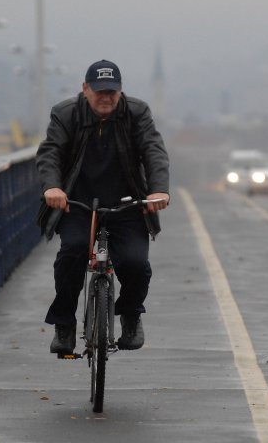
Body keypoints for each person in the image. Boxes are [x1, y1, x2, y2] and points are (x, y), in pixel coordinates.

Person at [36, 59, 170, 354]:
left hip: (127, 204)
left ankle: (131, 316)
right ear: (85, 89)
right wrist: (52, 187)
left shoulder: (137, 113)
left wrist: (158, 189)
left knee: (135, 263)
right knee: (71, 253)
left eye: (112, 91)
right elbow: (50, 153)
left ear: (120, 92)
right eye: (99, 91)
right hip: (78, 203)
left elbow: (153, 150)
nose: (106, 97)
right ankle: (65, 324)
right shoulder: (65, 114)